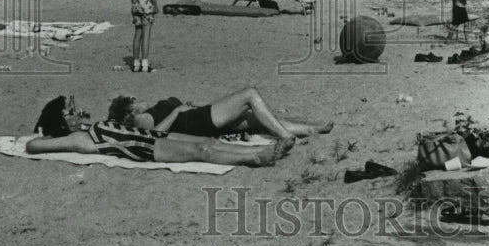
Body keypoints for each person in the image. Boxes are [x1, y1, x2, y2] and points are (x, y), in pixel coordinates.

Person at [25, 120, 293, 167]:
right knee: (203, 151)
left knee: (208, 141)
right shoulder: (77, 138)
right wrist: (44, 136)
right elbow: (34, 146)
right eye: (70, 111)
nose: (78, 112)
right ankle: (254, 158)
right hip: (146, 149)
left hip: (155, 138)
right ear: (62, 122)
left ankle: (260, 149)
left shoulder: (89, 127)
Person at [107, 87, 333, 139]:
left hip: (200, 118)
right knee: (250, 95)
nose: (137, 99)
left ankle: (311, 129)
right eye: (131, 100)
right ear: (129, 111)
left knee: (257, 120)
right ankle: (286, 137)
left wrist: (186, 107)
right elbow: (156, 136)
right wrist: (177, 110)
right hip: (199, 122)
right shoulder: (139, 118)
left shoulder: (147, 112)